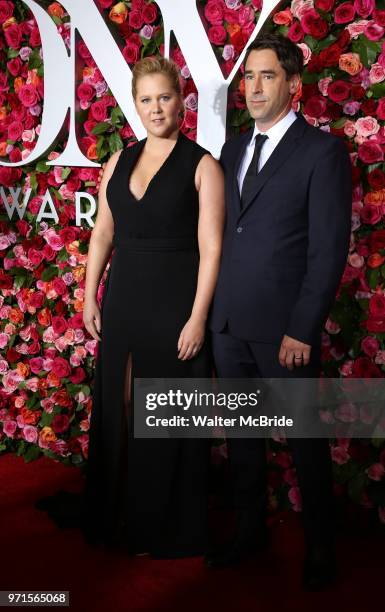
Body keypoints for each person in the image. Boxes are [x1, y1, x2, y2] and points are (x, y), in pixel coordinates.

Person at [36, 57, 225, 559]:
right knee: (120, 405)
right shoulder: (118, 160)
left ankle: (156, 525)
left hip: (175, 301)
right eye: (146, 100)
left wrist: (198, 318)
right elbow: (103, 234)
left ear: (180, 99)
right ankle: (117, 510)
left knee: (160, 412)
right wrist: (87, 293)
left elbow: (212, 250)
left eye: (164, 97)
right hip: (124, 298)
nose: (155, 108)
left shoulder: (203, 165)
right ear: (135, 104)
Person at [205, 33, 352, 590]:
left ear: (294, 84)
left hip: (283, 330)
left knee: (305, 441)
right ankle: (250, 533)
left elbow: (328, 249)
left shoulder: (322, 152)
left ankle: (320, 549)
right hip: (229, 324)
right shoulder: (233, 150)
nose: (255, 87)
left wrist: (302, 326)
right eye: (248, 77)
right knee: (243, 437)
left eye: (267, 76)